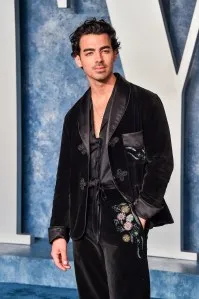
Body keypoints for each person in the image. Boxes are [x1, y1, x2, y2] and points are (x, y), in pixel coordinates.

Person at [48, 18, 174, 299]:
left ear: (115, 53)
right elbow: (65, 176)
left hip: (124, 214)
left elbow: (162, 160)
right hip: (82, 219)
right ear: (78, 60)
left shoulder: (145, 102)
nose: (99, 59)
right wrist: (59, 232)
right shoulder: (74, 116)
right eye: (89, 53)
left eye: (105, 50)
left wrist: (141, 212)